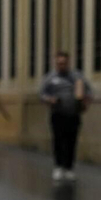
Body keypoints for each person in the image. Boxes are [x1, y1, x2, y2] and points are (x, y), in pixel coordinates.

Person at [39, 51, 88, 181]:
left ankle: (69, 167)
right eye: (59, 63)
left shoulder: (77, 76)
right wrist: (50, 99)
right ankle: (58, 166)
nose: (62, 65)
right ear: (56, 63)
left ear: (68, 63)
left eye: (64, 63)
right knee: (58, 140)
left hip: (73, 114)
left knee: (72, 141)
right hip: (57, 114)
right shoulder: (50, 78)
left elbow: (87, 91)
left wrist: (84, 100)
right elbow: (42, 94)